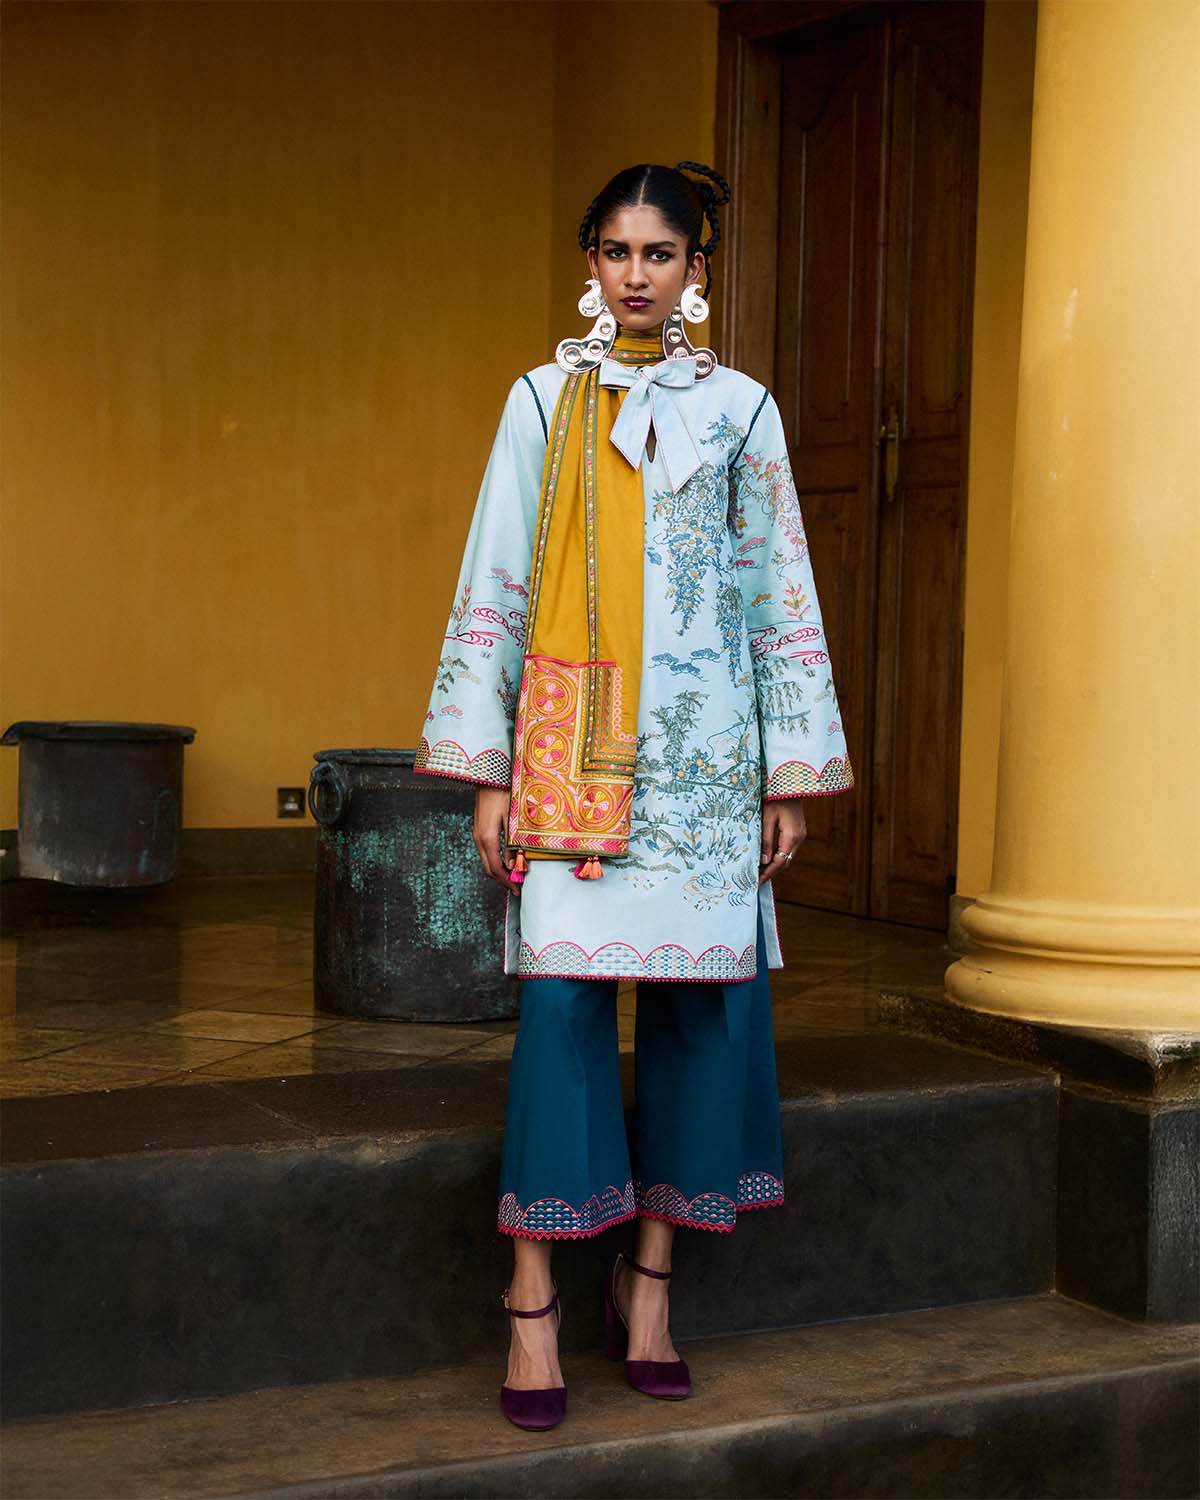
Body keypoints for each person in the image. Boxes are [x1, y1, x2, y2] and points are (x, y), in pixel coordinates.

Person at [415, 161, 854, 1430]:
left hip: (708, 766)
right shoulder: (542, 402)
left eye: (661, 253)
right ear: (590, 265)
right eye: (617, 251)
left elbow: (777, 592)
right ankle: (532, 1296)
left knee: (701, 1020)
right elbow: (496, 576)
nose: (637, 274)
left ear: (697, 270)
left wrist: (785, 773)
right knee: (560, 1014)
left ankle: (648, 1287)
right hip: (570, 755)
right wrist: (489, 767)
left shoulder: (745, 414)